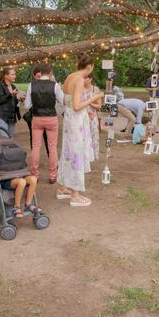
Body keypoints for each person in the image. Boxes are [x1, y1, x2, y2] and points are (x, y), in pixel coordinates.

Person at [56, 54, 104, 207]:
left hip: (71, 119)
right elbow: (77, 105)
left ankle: (63, 188)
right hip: (76, 121)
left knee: (68, 154)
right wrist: (94, 97)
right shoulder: (79, 80)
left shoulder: (70, 77)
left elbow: (67, 101)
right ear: (89, 67)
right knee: (76, 154)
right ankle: (75, 195)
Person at [25, 64, 63, 183]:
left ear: (41, 73)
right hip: (51, 117)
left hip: (37, 117)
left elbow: (27, 105)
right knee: (52, 147)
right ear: (50, 74)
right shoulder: (55, 85)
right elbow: (62, 101)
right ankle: (53, 175)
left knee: (36, 147)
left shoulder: (31, 85)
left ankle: (35, 174)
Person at [23, 65, 48, 154]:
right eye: (38, 76)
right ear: (34, 76)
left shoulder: (48, 86)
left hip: (46, 115)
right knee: (34, 139)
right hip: (34, 115)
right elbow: (27, 105)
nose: (40, 78)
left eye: (41, 76)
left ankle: (51, 159)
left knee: (48, 139)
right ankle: (35, 160)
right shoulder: (31, 86)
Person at [0, 67, 22, 138]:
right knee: (5, 138)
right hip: (1, 116)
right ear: (6, 76)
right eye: (12, 74)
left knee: (10, 139)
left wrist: (19, 99)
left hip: (11, 117)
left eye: (14, 74)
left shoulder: (13, 86)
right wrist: (10, 94)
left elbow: (12, 102)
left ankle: (7, 149)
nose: (15, 76)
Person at [83, 72, 102, 160]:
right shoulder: (80, 89)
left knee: (94, 136)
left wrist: (90, 103)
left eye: (86, 78)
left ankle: (93, 156)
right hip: (82, 116)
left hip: (92, 116)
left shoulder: (95, 90)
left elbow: (99, 106)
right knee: (83, 137)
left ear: (90, 79)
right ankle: (84, 156)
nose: (84, 79)